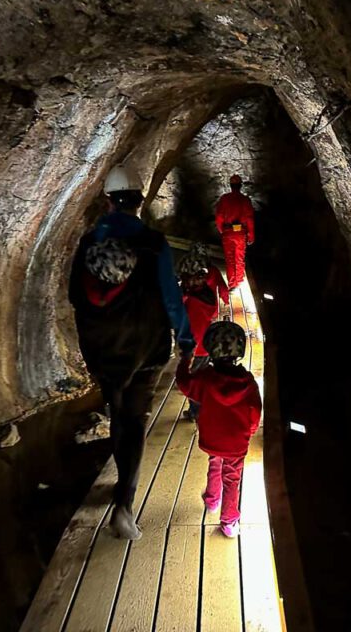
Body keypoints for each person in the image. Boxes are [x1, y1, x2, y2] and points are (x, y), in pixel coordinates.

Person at [68, 164, 196, 540]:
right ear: (139, 202)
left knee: (117, 411)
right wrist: (186, 341)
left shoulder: (89, 242)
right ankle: (124, 502)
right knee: (135, 418)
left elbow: (76, 296)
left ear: (108, 201)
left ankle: (120, 481)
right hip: (147, 347)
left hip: (103, 349)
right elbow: (172, 300)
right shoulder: (155, 243)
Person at [175, 321, 261, 538]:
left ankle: (213, 500)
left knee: (215, 461)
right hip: (236, 442)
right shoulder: (248, 383)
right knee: (232, 478)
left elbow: (184, 383)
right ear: (239, 349)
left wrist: (185, 360)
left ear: (210, 349)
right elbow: (255, 412)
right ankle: (229, 522)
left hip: (212, 437)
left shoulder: (205, 378)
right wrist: (248, 432)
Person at [179, 242, 230, 421]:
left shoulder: (190, 300)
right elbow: (221, 288)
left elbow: (180, 313)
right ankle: (202, 407)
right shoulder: (205, 292)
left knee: (193, 383)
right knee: (202, 378)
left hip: (196, 348)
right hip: (207, 344)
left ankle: (196, 411)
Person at [214, 174, 255, 290]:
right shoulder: (245, 200)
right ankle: (239, 281)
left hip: (228, 232)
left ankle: (232, 284)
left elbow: (218, 217)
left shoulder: (224, 199)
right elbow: (249, 218)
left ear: (231, 186)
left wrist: (222, 231)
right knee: (239, 258)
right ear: (240, 186)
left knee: (230, 259)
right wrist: (251, 235)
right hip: (240, 233)